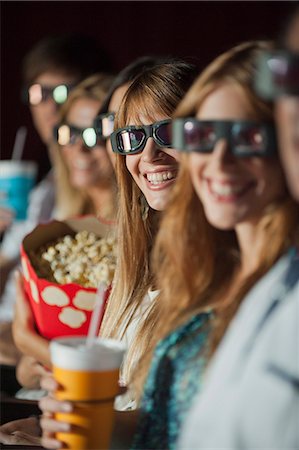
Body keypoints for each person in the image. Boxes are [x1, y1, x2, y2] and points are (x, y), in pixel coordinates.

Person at [0, 57, 196, 447]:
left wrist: (29, 344)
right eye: (132, 138)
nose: (150, 154)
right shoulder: (135, 255)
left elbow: (180, 421)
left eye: (169, 131)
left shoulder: (224, 269)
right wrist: (55, 426)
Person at [178, 9, 299, 450]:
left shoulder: (286, 283)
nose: (220, 161)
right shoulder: (208, 267)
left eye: (249, 138)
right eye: (203, 135)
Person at [0, 33, 112, 376]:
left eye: (93, 135)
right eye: (69, 135)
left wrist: (24, 348)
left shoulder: (127, 227)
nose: (78, 148)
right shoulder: (48, 197)